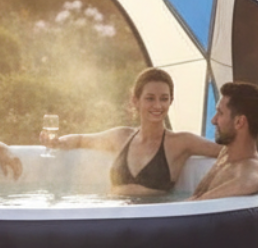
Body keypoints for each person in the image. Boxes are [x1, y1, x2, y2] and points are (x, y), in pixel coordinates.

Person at [56, 67, 222, 197]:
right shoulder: (120, 137)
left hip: (150, 222)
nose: (157, 106)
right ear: (136, 100)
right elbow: (79, 139)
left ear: (171, 101)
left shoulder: (181, 142)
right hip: (113, 215)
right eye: (150, 98)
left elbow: (225, 151)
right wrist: (57, 142)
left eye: (164, 99)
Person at [190, 81, 258, 200]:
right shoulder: (226, 153)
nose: (213, 120)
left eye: (220, 113)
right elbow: (196, 199)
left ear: (239, 122)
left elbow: (253, 181)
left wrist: (200, 201)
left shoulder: (249, 171)